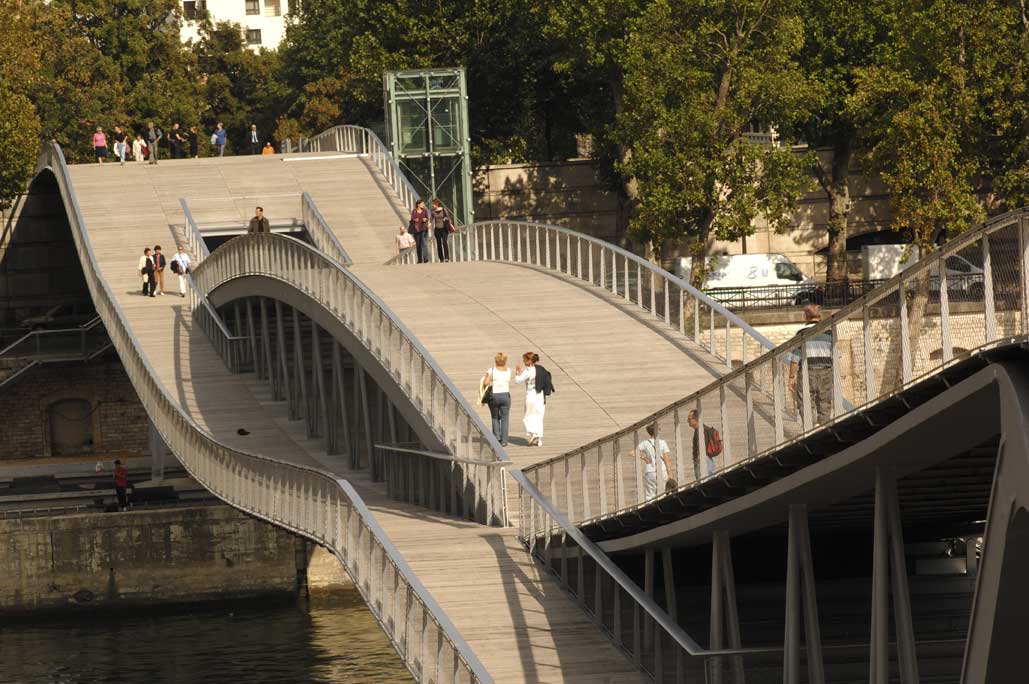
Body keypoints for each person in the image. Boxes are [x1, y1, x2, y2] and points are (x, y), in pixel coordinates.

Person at [787, 304, 833, 424]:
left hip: (807, 372)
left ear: (806, 316)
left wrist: (791, 376)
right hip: (826, 371)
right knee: (824, 402)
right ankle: (824, 428)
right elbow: (836, 354)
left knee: (805, 402)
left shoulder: (801, 333)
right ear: (820, 316)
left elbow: (795, 357)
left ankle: (810, 428)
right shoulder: (829, 332)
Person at [629, 423, 673, 500]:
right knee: (663, 492)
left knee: (650, 494)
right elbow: (666, 460)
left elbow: (631, 452)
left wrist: (644, 458)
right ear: (658, 431)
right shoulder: (662, 442)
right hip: (662, 470)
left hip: (650, 470)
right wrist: (670, 474)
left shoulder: (645, 443)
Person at [514, 352, 547, 446]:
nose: (523, 361)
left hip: (531, 395)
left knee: (527, 417)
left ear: (529, 360)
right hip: (540, 395)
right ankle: (539, 440)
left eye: (524, 360)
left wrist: (517, 372)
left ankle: (533, 433)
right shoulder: (540, 369)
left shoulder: (528, 371)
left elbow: (517, 381)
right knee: (539, 417)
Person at [481, 353, 512, 446]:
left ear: (496, 361)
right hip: (506, 396)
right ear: (505, 361)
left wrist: (487, 377)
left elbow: (486, 383)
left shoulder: (492, 370)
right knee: (505, 418)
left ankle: (497, 438)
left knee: (495, 417)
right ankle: (505, 441)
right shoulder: (509, 370)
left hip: (494, 396)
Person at [687, 409, 720, 481]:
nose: (687, 421)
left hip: (703, 461)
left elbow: (701, 445)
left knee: (704, 483)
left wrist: (698, 458)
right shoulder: (702, 429)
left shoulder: (700, 430)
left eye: (689, 419)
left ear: (695, 419)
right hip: (708, 460)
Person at [430, 198, 454, 262]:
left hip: (444, 229)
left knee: (444, 243)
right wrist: (429, 223)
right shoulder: (432, 211)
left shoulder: (443, 209)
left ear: (436, 204)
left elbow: (448, 217)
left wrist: (449, 223)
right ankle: (441, 258)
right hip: (437, 229)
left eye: (433, 204)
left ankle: (447, 257)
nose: (432, 205)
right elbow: (431, 219)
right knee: (439, 244)